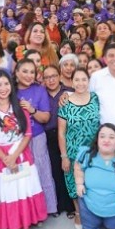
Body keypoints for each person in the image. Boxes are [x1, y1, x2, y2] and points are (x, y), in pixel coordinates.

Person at [0, 70, 47, 229]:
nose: (3, 88)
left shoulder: (19, 106)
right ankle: (12, 228)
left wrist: (14, 156)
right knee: (8, 192)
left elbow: (27, 134)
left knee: (23, 189)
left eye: (6, 84)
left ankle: (25, 224)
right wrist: (6, 159)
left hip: (21, 153)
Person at [58, 68, 101, 229]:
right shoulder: (65, 102)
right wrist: (64, 156)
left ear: (88, 81)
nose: (80, 83)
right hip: (73, 151)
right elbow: (61, 133)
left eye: (84, 79)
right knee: (73, 182)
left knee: (93, 182)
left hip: (94, 151)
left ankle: (93, 211)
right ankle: (78, 211)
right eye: (77, 80)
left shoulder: (96, 98)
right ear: (72, 82)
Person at [14, 58, 58, 215]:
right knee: (23, 176)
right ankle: (29, 213)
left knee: (43, 171)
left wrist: (32, 110)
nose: (28, 75)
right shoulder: (10, 90)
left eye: (32, 72)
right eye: (24, 71)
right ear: (16, 73)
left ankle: (49, 208)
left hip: (37, 137)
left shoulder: (39, 90)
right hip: (16, 140)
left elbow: (45, 117)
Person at [42, 65, 74, 216]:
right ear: (43, 80)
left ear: (60, 76)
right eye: (47, 77)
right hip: (48, 136)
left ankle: (71, 206)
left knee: (69, 170)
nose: (51, 80)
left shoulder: (69, 91)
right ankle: (59, 204)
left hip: (67, 135)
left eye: (54, 76)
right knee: (54, 170)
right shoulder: (41, 94)